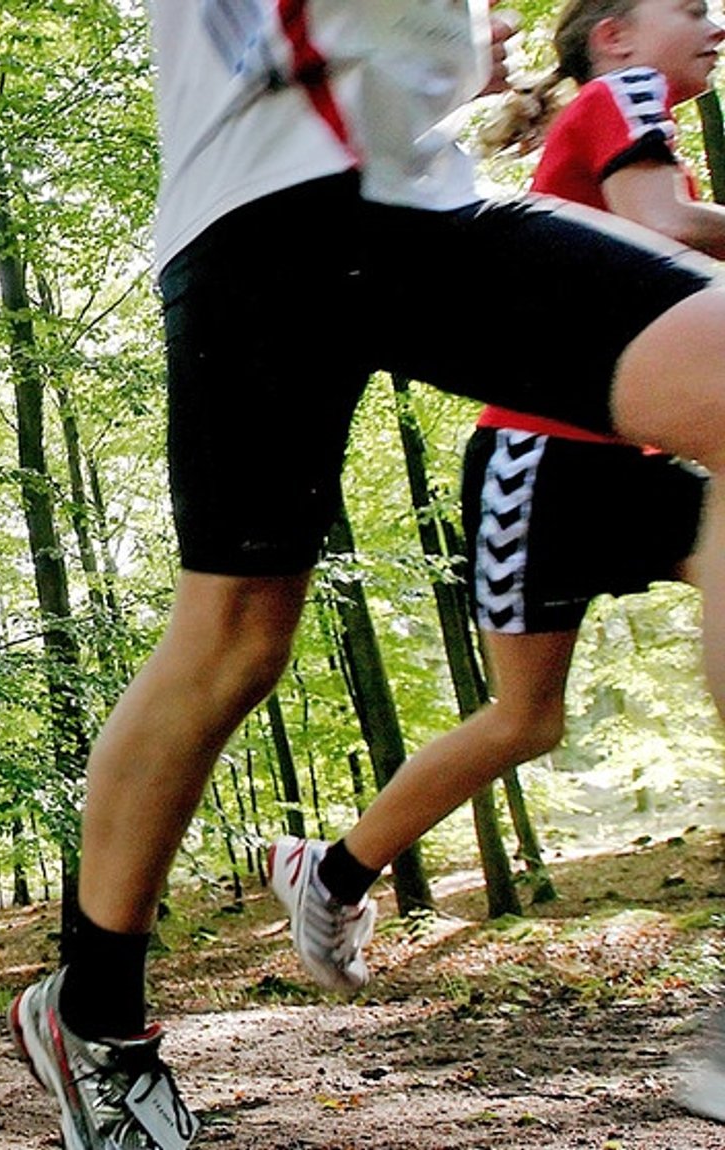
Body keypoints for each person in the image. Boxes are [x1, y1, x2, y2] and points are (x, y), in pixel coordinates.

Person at [7, 3, 725, 1148]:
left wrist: (453, 43)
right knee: (234, 641)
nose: (706, 20)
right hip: (260, 215)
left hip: (406, 196)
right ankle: (92, 1011)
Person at [262, 0, 724, 1115]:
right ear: (611, 34)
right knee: (522, 718)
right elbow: (658, 223)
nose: (712, 23)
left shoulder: (621, 105)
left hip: (626, 452)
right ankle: (328, 872)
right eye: (687, 8)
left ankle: (325, 870)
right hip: (540, 459)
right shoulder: (621, 101)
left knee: (531, 717)